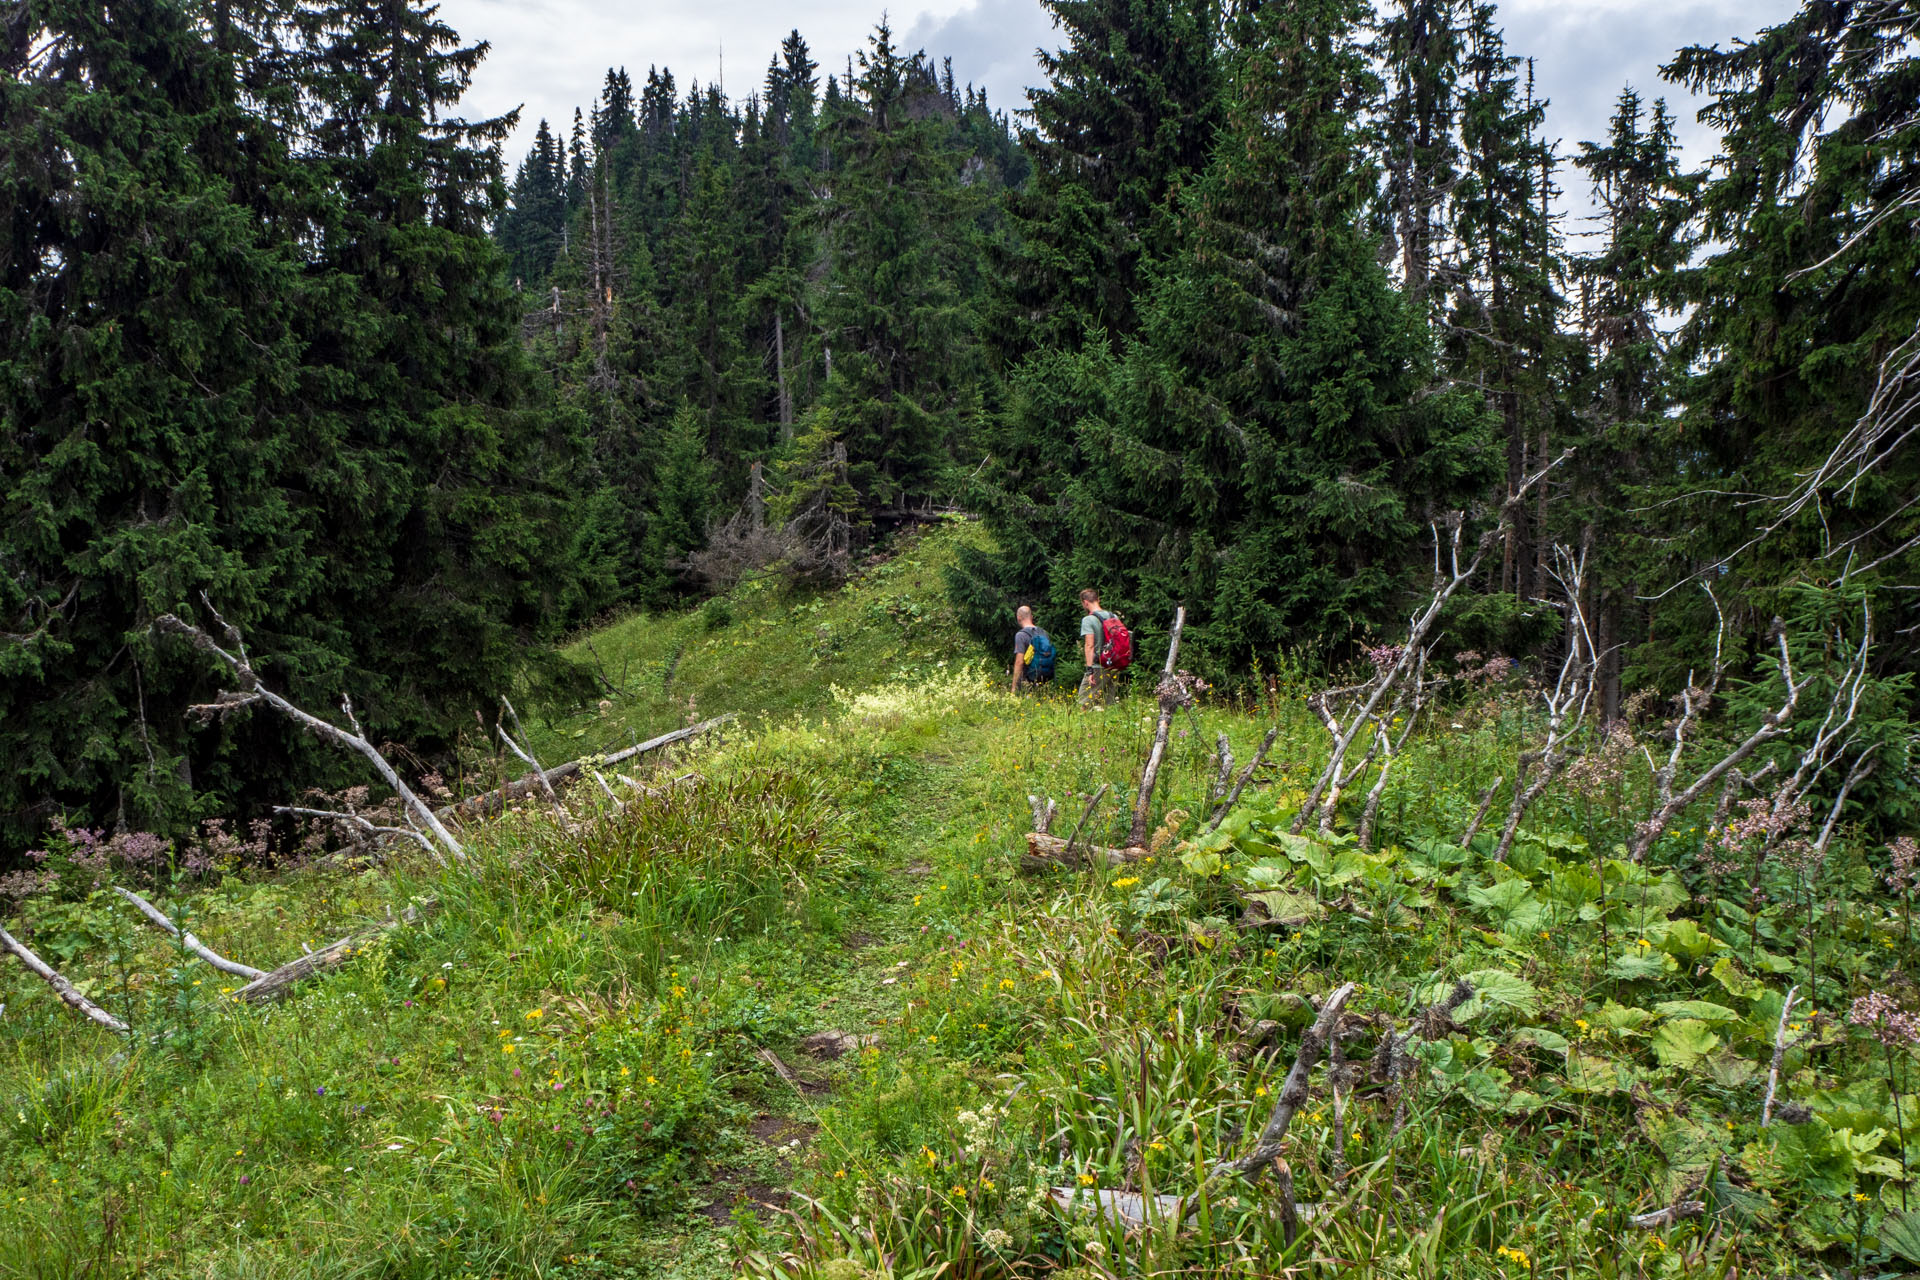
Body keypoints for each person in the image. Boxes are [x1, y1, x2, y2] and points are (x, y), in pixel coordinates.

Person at [1077, 588, 1125, 708]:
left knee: (1083, 703)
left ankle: (1082, 725)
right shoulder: (1113, 616)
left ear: (1085, 602)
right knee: (1108, 704)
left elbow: (1089, 645)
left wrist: (1089, 671)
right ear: (1098, 600)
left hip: (1098, 666)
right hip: (1114, 664)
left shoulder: (1088, 620)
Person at [1010, 605, 1055, 693]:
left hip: (1027, 679)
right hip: (1044, 678)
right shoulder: (1044, 633)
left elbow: (1019, 661)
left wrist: (1014, 687)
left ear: (1019, 618)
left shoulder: (1021, 635)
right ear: (1031, 617)